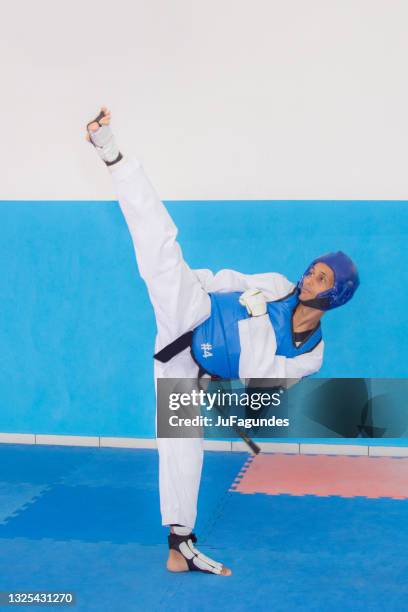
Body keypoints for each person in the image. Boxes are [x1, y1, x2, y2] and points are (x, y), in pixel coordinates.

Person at [86, 108, 360, 576]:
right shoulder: (275, 285)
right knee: (161, 249)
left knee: (182, 449)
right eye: (313, 269)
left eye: (321, 277)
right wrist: (215, 291)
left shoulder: (310, 354)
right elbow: (226, 280)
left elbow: (266, 378)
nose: (309, 277)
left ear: (335, 295)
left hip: (192, 371)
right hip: (192, 315)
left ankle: (180, 545)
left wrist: (248, 399)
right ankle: (110, 150)